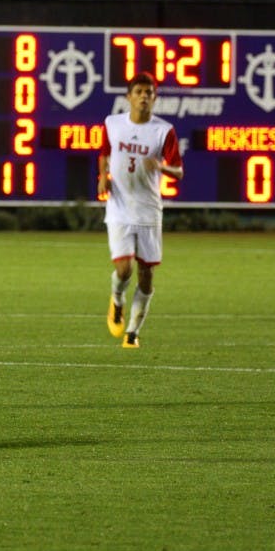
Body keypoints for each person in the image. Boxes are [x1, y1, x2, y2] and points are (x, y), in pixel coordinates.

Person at [98, 72, 184, 348]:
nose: (144, 96)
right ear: (129, 97)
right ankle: (117, 300)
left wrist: (161, 167)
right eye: (139, 92)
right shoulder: (113, 124)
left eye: (149, 92)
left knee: (146, 276)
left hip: (148, 211)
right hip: (120, 208)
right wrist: (103, 176)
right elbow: (104, 153)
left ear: (154, 98)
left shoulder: (163, 131)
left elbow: (179, 171)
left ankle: (132, 332)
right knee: (124, 269)